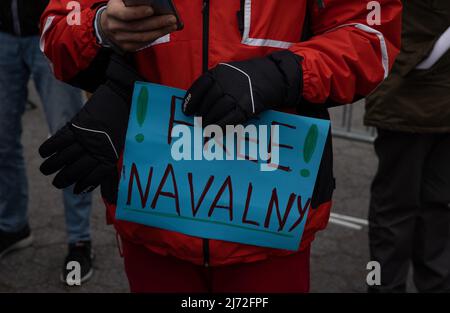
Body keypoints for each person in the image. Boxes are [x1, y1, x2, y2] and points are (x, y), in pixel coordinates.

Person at [39, 0, 402, 292]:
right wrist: (99, 28)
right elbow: (57, 29)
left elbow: (370, 37)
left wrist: (286, 73)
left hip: (268, 226)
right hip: (154, 219)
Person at [0, 0, 95, 284]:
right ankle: (13, 226)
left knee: (68, 143)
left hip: (51, 30)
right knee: (3, 143)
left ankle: (80, 240)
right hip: (4, 36)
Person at [365, 0, 450, 293]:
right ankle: (383, 285)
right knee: (398, 210)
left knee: (430, 210)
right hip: (406, 103)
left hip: (424, 102)